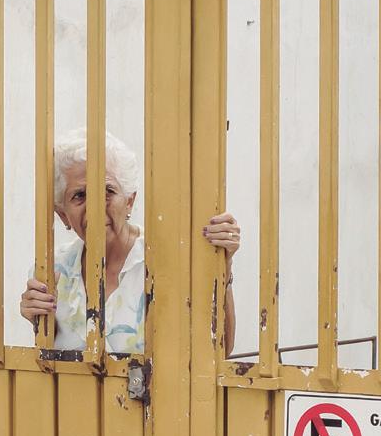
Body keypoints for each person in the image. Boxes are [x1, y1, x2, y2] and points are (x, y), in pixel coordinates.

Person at [17, 128, 240, 352]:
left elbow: (220, 349)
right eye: (80, 195)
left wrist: (222, 266)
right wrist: (39, 319)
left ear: (129, 201)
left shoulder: (166, 260)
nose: (95, 207)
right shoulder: (52, 270)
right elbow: (51, 359)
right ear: (63, 215)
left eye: (108, 191)